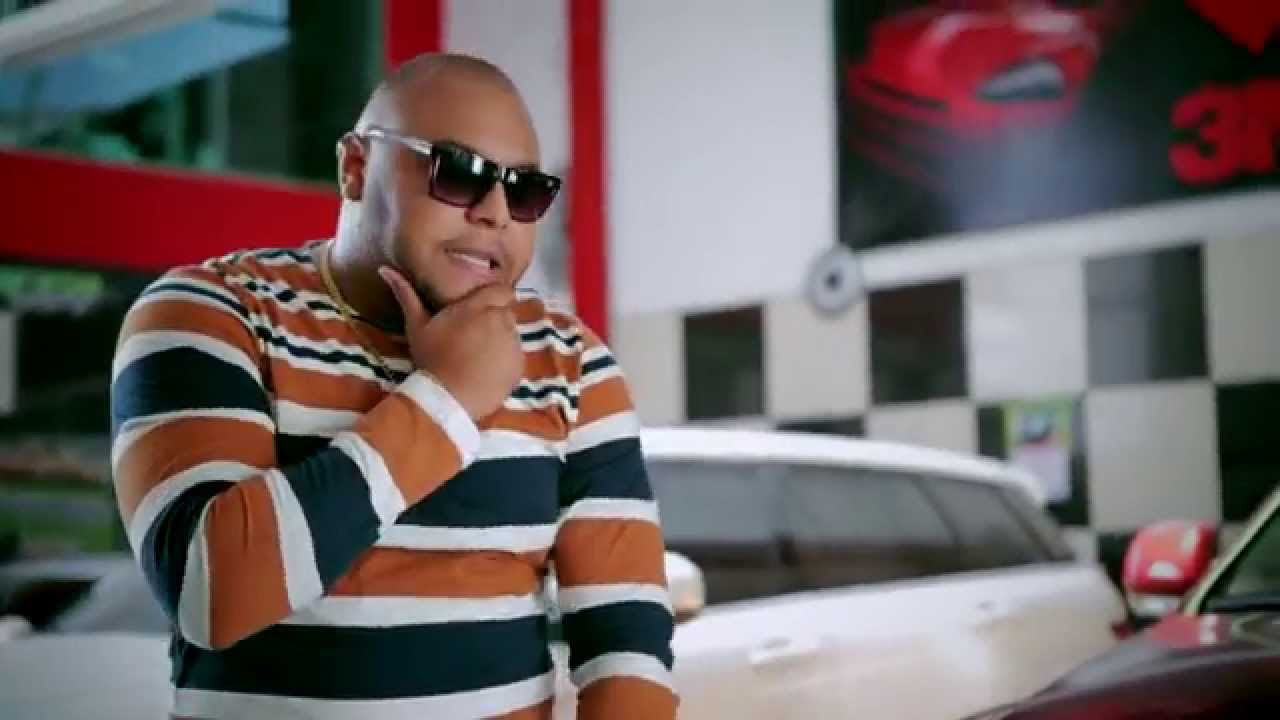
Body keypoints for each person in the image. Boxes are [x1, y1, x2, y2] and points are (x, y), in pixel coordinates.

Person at [109, 53, 676, 719]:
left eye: (525, 191)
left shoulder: (572, 363)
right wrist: (448, 400)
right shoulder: (212, 313)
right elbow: (208, 594)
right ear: (356, 168)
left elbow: (627, 651)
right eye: (458, 173)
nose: (496, 212)